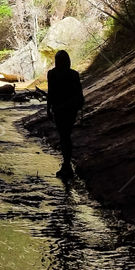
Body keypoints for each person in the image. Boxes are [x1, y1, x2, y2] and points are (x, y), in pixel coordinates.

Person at [46, 50, 84, 179]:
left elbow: (50, 93)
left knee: (64, 136)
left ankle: (66, 164)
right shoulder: (73, 74)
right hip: (69, 109)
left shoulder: (52, 74)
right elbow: (79, 93)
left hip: (59, 109)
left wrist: (48, 109)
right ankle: (67, 164)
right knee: (65, 135)